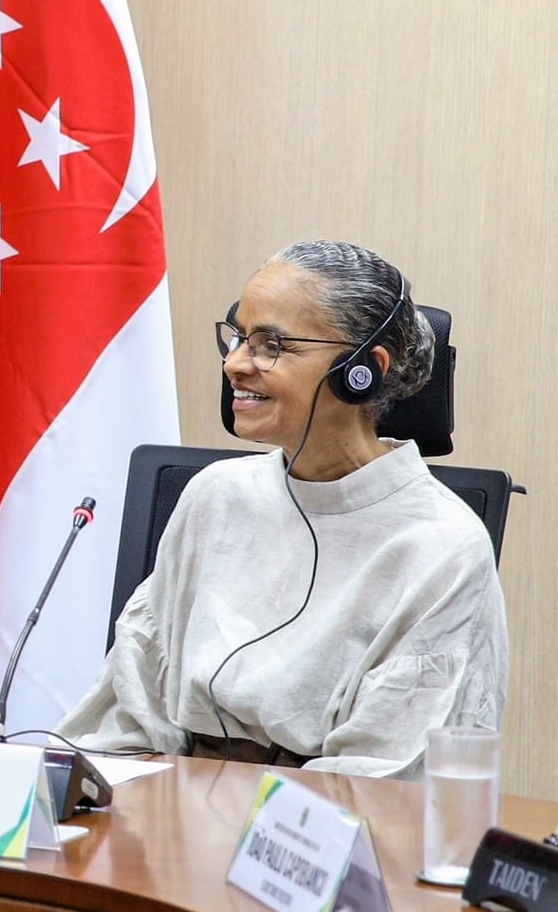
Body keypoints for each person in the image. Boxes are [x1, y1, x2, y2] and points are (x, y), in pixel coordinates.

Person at [59, 240, 506, 778]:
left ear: (363, 369)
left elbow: (384, 777)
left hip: (317, 840)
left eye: (272, 345)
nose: (235, 364)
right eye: (239, 338)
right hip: (168, 817)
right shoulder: (214, 496)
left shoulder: (442, 546)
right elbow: (131, 712)